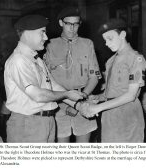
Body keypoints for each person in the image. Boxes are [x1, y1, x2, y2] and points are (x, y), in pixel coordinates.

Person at [4, 14, 84, 142]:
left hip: (46, 122)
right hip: (28, 124)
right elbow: (38, 95)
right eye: (42, 33)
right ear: (28, 34)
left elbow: (53, 85)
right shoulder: (19, 60)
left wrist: (79, 105)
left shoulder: (36, 59)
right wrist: (67, 94)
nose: (46, 37)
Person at [80, 19, 146, 142]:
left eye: (110, 39)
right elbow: (111, 92)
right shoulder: (111, 61)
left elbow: (131, 95)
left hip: (127, 116)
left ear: (123, 35)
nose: (106, 44)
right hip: (109, 116)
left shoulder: (135, 59)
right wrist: (96, 98)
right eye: (105, 40)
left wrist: (97, 108)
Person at [44, 7, 101, 142]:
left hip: (83, 100)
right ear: (61, 23)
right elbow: (47, 80)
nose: (72, 28)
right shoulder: (50, 45)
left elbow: (94, 77)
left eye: (76, 24)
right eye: (68, 24)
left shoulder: (87, 44)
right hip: (59, 104)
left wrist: (80, 101)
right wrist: (71, 102)